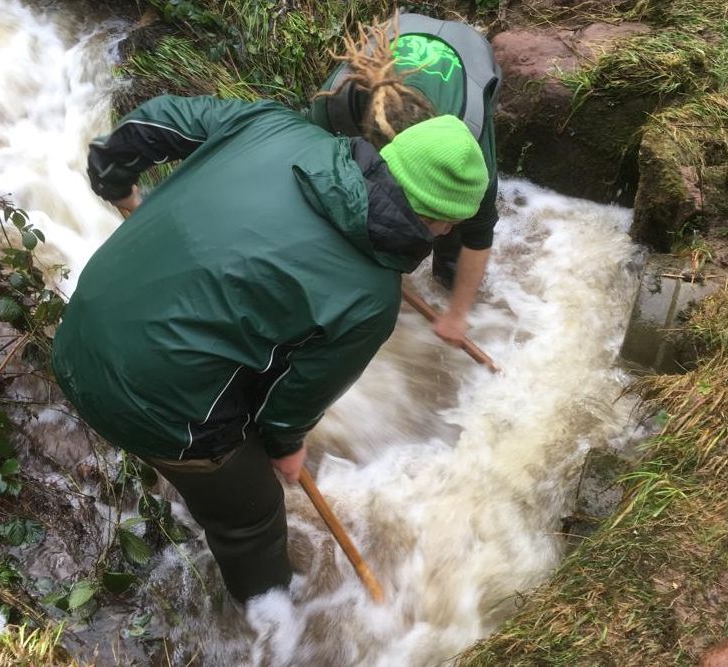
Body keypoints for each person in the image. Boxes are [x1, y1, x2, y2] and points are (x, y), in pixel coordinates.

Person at [51, 93, 488, 603]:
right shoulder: (372, 301)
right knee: (253, 515)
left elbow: (158, 120)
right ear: (442, 222)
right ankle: (270, 621)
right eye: (451, 223)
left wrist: (114, 181)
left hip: (77, 328)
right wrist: (286, 449)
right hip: (148, 403)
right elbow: (288, 403)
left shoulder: (270, 122)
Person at [309, 14, 502, 346]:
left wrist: (457, 313)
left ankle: (446, 268)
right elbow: (314, 183)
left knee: (450, 238)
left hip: (471, 60)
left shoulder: (469, 149)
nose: (448, 225)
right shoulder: (333, 109)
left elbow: (479, 231)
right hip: (401, 32)